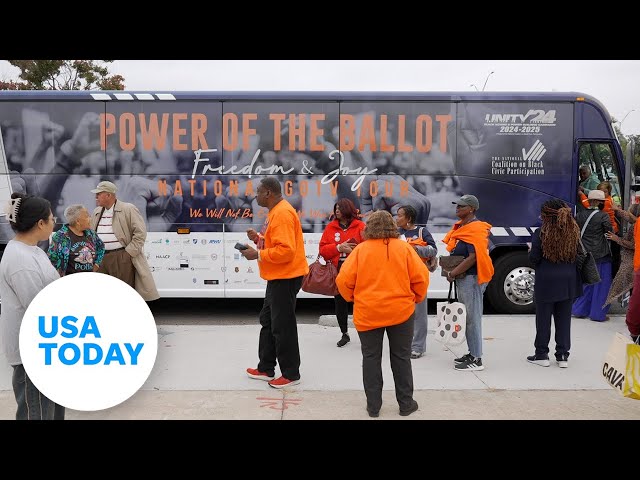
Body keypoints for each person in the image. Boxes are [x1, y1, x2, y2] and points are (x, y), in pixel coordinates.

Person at [336, 210, 428, 417]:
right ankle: (406, 404)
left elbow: (343, 281)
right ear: (393, 227)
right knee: (401, 358)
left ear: (369, 228)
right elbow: (421, 278)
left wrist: (353, 298)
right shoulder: (404, 248)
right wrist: (416, 298)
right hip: (401, 313)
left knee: (370, 358)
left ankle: (373, 407)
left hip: (368, 312)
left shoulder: (360, 251)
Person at [0, 193, 64, 420]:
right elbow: (39, 307)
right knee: (35, 413)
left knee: (52, 412)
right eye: (51, 218)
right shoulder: (20, 260)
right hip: (31, 354)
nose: (54, 222)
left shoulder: (34, 251)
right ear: (40, 223)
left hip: (46, 347)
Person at [241, 177, 309, 389]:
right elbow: (278, 244)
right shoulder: (276, 212)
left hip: (286, 277)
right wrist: (258, 239)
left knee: (282, 326)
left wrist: (258, 254)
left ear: (268, 193)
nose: (255, 196)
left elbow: (286, 251)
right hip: (279, 277)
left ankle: (291, 374)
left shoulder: (282, 214)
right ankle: (266, 367)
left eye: (258, 192)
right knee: (269, 322)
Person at [526, 200, 583, 368]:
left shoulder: (540, 233)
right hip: (569, 281)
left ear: (545, 215)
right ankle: (563, 355)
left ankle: (542, 354)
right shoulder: (573, 232)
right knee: (564, 319)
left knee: (543, 319)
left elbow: (534, 259)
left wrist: (530, 251)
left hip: (547, 281)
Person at [442, 194, 494, 371]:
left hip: (471, 279)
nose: (457, 208)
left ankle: (477, 359)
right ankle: (472, 353)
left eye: (461, 206)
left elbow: (473, 257)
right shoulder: (465, 227)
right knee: (468, 318)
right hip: (466, 279)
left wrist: (453, 272)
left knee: (472, 319)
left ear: (471, 209)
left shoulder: (475, 229)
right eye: (457, 205)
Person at [90, 180, 159, 302]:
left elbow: (140, 233)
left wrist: (127, 254)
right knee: (102, 293)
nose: (96, 197)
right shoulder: (96, 211)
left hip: (120, 257)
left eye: (99, 194)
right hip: (100, 258)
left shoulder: (128, 209)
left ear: (108, 195)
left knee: (123, 293)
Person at [318, 198, 366, 347]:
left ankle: (365, 332)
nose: (337, 211)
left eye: (339, 208)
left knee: (360, 301)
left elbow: (368, 248)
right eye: (335, 208)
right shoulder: (330, 227)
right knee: (340, 302)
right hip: (338, 269)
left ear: (347, 209)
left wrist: (353, 251)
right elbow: (323, 250)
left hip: (357, 268)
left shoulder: (361, 226)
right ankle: (344, 333)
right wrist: (338, 248)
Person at [395, 204, 437, 359]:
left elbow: (433, 250)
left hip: (418, 277)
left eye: (399, 215)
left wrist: (415, 249)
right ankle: (404, 344)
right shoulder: (395, 234)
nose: (396, 218)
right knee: (402, 313)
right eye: (396, 215)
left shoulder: (421, 232)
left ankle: (418, 347)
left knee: (419, 313)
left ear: (409, 218)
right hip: (399, 278)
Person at [571, 189, 613, 322]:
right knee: (601, 286)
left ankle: (579, 310)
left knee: (587, 283)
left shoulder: (580, 215)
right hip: (601, 255)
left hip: (584, 254)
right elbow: (609, 232)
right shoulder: (603, 216)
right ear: (599, 202)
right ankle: (597, 314)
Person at [47, 204, 105, 276]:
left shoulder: (91, 234)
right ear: (78, 221)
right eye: (87, 216)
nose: (90, 218)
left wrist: (97, 264)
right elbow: (52, 259)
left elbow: (101, 247)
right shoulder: (60, 237)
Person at [604, 203, 639, 308]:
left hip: (631, 261)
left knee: (630, 286)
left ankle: (631, 311)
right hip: (632, 260)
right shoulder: (637, 222)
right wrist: (618, 210)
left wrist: (617, 239)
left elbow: (633, 245)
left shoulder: (636, 226)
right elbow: (629, 217)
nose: (627, 216)